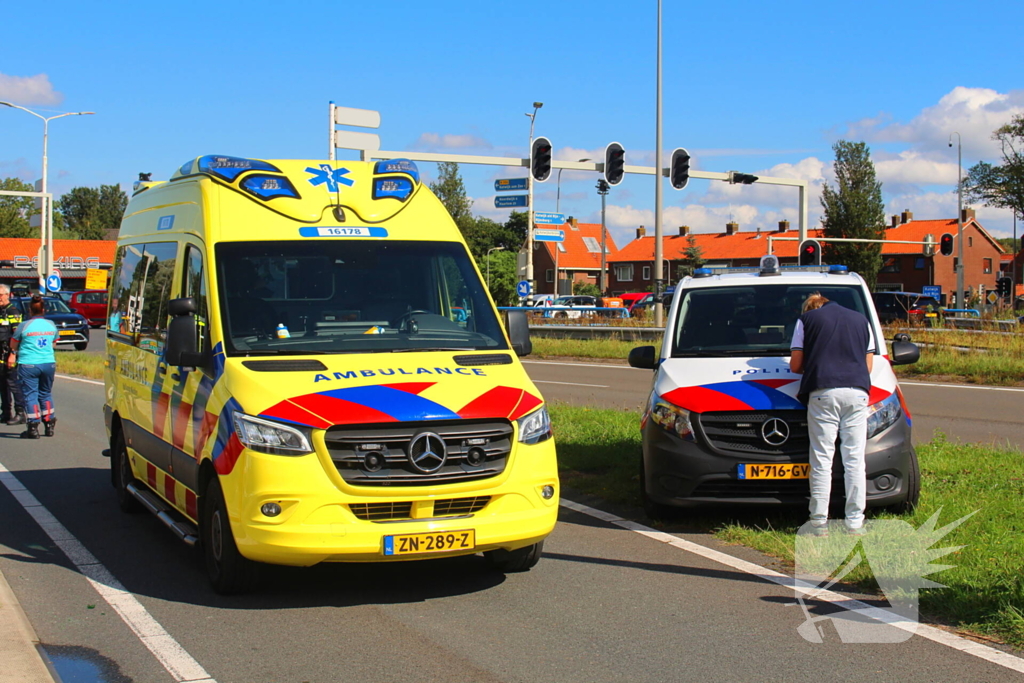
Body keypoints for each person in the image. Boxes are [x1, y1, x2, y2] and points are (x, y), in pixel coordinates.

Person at [789, 292, 874, 533]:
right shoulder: (861, 320)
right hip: (857, 392)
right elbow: (867, 366)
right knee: (854, 459)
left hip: (823, 391)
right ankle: (855, 521)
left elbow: (795, 365)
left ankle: (818, 521)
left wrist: (817, 360)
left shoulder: (806, 321)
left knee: (822, 458)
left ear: (810, 309)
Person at [8, 295, 59, 439]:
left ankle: (33, 427)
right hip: (48, 363)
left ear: (30, 310)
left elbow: (14, 343)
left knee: (31, 395)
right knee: (46, 393)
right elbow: (54, 343)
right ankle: (49, 424)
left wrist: (14, 352)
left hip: (29, 364)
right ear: (43, 309)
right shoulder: (51, 325)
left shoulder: (24, 326)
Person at [0, 284, 26, 425]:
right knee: (2, 384)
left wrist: (13, 354)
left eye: (1, 295)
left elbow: (16, 336)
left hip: (9, 353)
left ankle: (20, 413)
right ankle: (6, 412)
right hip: (1, 353)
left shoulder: (13, 311)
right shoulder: (1, 311)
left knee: (13, 383)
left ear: (8, 295)